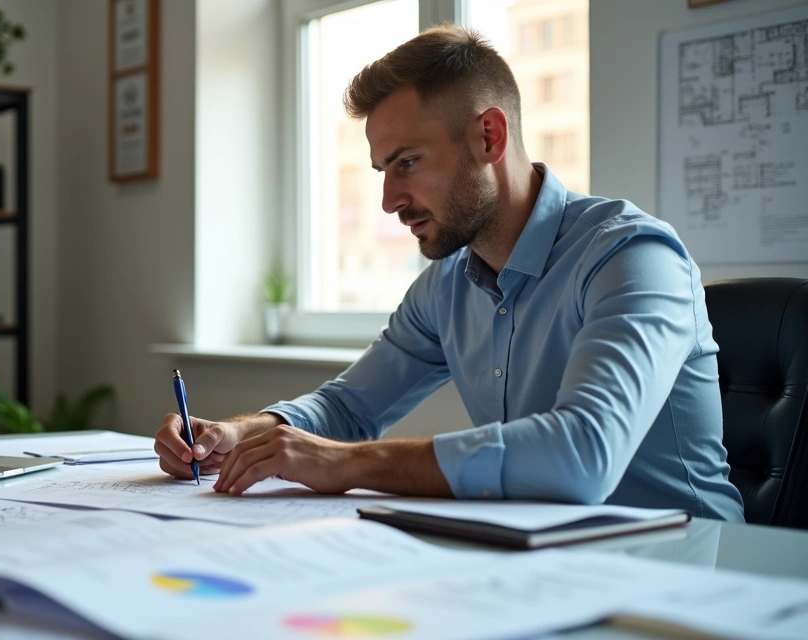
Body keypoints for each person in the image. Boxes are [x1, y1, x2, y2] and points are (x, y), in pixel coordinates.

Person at [154, 25, 744, 521]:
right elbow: (349, 408)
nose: (389, 200)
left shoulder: (631, 257)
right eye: (383, 169)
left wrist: (347, 462)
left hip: (697, 574)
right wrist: (241, 436)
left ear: (489, 136)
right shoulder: (449, 284)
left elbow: (581, 455)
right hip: (546, 565)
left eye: (407, 162)